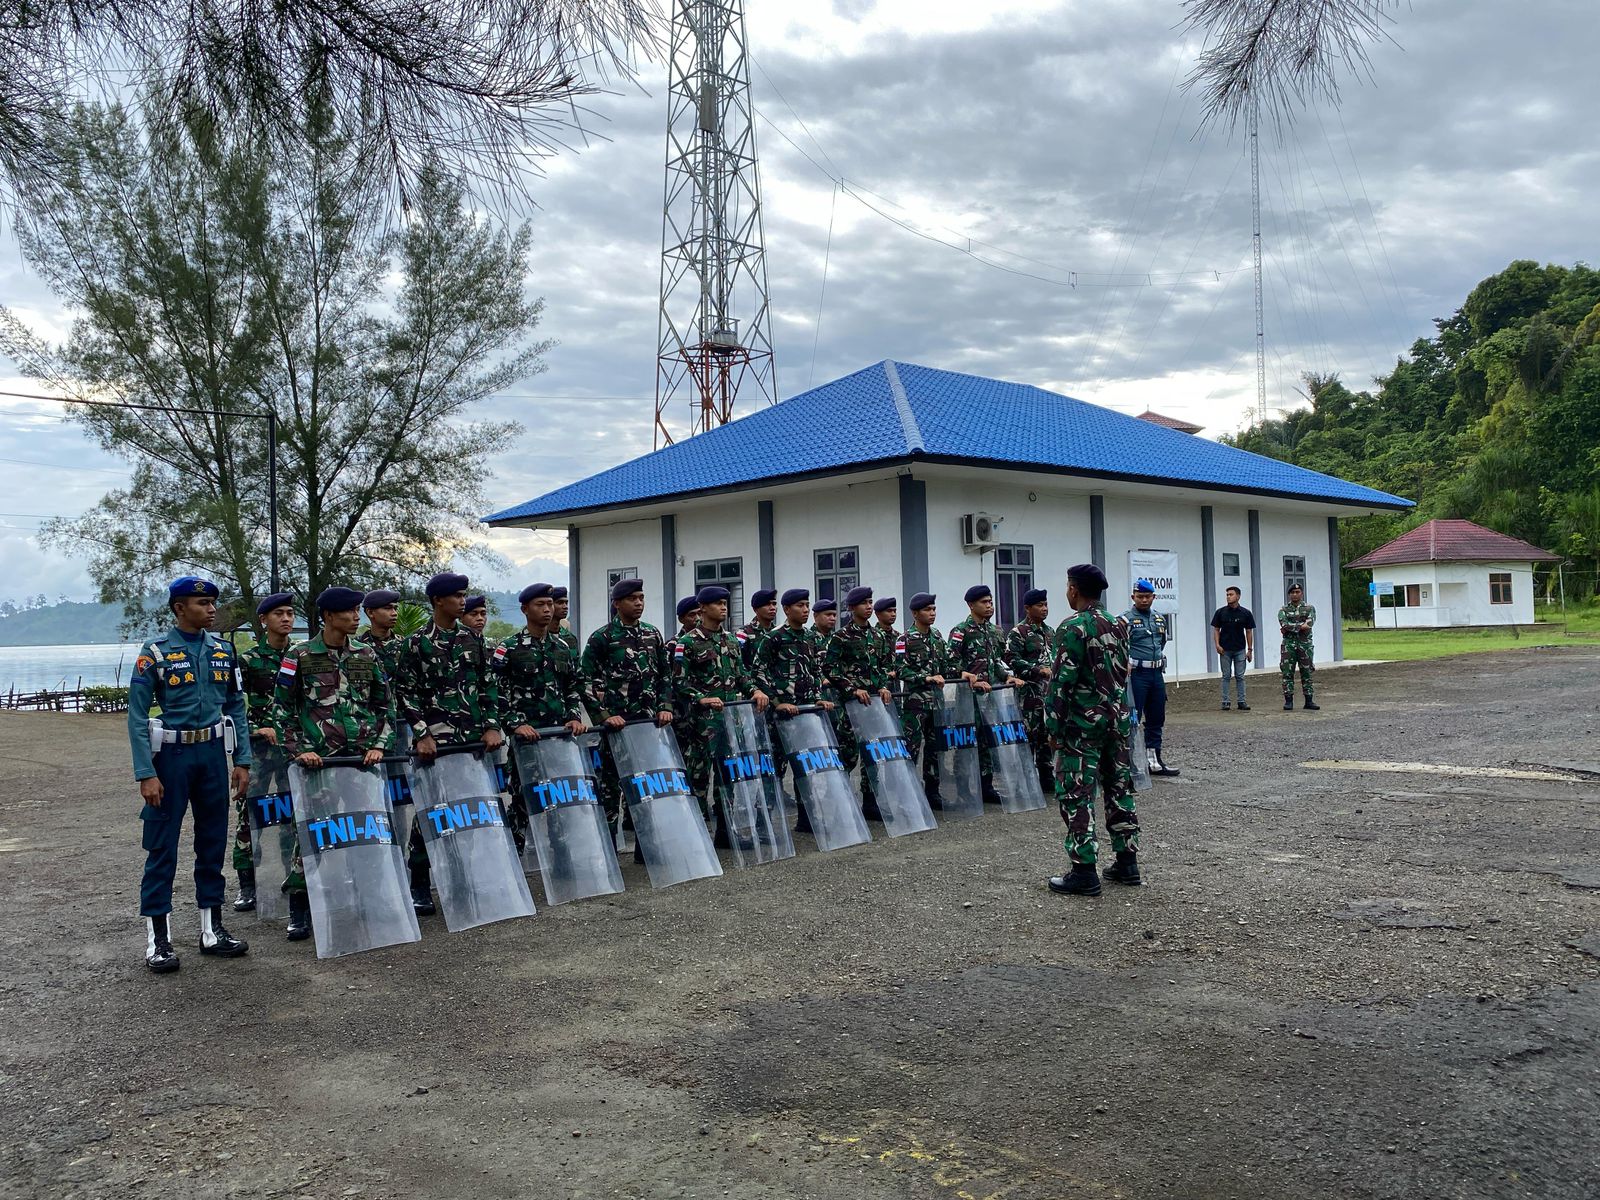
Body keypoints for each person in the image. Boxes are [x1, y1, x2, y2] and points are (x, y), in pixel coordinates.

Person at [127, 576, 252, 973]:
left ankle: (211, 929)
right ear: (180, 607)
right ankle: (158, 940)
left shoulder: (223, 651)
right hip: (172, 757)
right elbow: (136, 716)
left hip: (213, 754)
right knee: (162, 846)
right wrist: (146, 772)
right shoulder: (156, 653)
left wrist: (242, 761)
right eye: (202, 602)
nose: (212, 609)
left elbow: (236, 705)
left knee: (213, 842)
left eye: (213, 602)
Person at [270, 586, 397, 940]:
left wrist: (379, 746)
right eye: (349, 611)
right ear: (328, 616)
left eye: (358, 611)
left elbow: (386, 706)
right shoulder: (300, 655)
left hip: (359, 763)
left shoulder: (366, 654)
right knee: (312, 835)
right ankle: (300, 906)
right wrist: (297, 750)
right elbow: (281, 709)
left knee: (367, 831)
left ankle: (372, 900)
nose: (357, 617)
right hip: (319, 764)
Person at [394, 572, 505, 913]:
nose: (463, 601)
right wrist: (422, 732)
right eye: (456, 596)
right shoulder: (416, 643)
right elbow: (405, 693)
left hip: (471, 743)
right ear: (438, 601)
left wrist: (490, 727)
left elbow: (488, 688)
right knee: (433, 811)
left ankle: (464, 877)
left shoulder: (474, 641)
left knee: (471, 811)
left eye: (464, 595)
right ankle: (420, 881)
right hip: (436, 745)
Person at [1044, 563, 1140, 898]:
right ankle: (1127, 861)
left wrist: (1052, 727)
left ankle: (1084, 871)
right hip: (1116, 721)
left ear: (1074, 589)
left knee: (1076, 793)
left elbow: (1061, 683)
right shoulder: (1119, 623)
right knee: (1119, 787)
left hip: (1082, 726)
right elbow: (1122, 672)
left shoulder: (1073, 626)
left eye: (1068, 587)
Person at [580, 578, 674, 850]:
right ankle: (607, 846)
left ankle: (648, 846)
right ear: (617, 604)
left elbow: (665, 676)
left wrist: (664, 707)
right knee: (611, 787)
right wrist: (603, 715)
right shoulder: (602, 638)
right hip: (618, 726)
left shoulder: (652, 634)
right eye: (632, 598)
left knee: (647, 784)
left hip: (648, 725)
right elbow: (585, 681)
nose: (639, 603)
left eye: (642, 597)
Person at [495, 583, 587, 853]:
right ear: (524, 609)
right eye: (540, 605)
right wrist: (515, 724)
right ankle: (517, 855)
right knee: (524, 797)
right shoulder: (509, 648)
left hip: (558, 737)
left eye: (549, 604)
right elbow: (495, 692)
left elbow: (573, 686)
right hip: (527, 739)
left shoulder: (562, 646)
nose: (547, 610)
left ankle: (561, 856)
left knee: (560, 796)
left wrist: (573, 716)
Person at [674, 584, 769, 843]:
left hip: (730, 720)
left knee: (728, 775)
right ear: (703, 608)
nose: (723, 607)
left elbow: (741, 676)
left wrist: (755, 691)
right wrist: (701, 698)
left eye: (725, 602)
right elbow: (679, 684)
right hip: (702, 724)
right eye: (717, 603)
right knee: (699, 779)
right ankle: (696, 834)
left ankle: (727, 832)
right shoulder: (687, 643)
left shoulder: (730, 641)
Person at [231, 591, 295, 912]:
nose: (286, 619)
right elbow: (230, 708)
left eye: (290, 613)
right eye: (279, 614)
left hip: (290, 751)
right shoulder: (247, 660)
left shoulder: (300, 658)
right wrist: (256, 730)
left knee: (292, 814)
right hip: (257, 752)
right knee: (249, 815)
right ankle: (247, 885)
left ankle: (291, 876)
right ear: (264, 620)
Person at [759, 588, 834, 834]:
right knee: (775, 770)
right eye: (800, 605)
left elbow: (815, 673)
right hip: (781, 716)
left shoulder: (811, 638)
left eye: (806, 605)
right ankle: (764, 824)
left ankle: (807, 817)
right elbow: (758, 672)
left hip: (806, 714)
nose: (804, 610)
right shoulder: (774, 638)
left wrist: (819, 699)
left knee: (807, 767)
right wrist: (775, 701)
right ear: (786, 609)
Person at [949, 583, 1023, 803]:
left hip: (991, 696)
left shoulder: (994, 630)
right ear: (971, 605)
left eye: (991, 602)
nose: (990, 606)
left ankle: (986, 784)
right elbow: (950, 663)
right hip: (969, 696)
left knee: (987, 740)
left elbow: (995, 662)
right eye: (984, 602)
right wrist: (969, 677)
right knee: (967, 740)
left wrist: (1006, 676)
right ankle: (963, 787)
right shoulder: (961, 631)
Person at [824, 585, 893, 818]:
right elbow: (830, 669)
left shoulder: (878, 635)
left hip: (874, 705)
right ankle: (839, 803)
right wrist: (852, 689)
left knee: (874, 754)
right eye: (864, 603)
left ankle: (870, 802)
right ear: (852, 608)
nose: (869, 606)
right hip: (852, 706)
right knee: (848, 755)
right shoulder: (840, 637)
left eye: (871, 602)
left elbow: (884, 665)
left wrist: (883, 685)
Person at [896, 593, 949, 805]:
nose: (932, 613)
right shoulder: (904, 639)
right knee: (912, 748)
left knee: (935, 748)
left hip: (936, 702)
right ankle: (907, 793)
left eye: (934, 609)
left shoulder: (937, 636)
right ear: (915, 613)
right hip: (915, 704)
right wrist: (925, 678)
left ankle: (933, 790)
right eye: (927, 610)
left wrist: (960, 673)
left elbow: (945, 666)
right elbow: (900, 669)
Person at [1122, 580, 1178, 777]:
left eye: (1147, 597)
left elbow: (1160, 643)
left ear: (1154, 597)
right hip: (1136, 675)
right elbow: (1118, 646)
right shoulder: (1125, 620)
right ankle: (1130, 764)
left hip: (1156, 674)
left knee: (1156, 717)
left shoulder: (1159, 619)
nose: (1144, 600)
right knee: (1132, 718)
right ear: (1133, 597)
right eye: (1140, 597)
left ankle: (1154, 761)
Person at [1003, 588, 1055, 791]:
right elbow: (1011, 658)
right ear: (1027, 608)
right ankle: (1023, 780)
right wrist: (1036, 670)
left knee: (1046, 734)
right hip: (1029, 692)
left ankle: (1046, 775)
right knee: (1028, 734)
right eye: (1039, 605)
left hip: (1048, 692)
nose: (1044, 609)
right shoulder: (1019, 632)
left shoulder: (1049, 631)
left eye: (1045, 604)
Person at [1210, 586, 1256, 711]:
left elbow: (1249, 631)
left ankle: (1242, 701)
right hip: (1225, 649)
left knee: (1240, 676)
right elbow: (1216, 630)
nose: (1228, 597)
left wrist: (1250, 649)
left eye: (1231, 594)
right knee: (1226, 675)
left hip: (1240, 649)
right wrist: (1217, 645)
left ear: (1238, 596)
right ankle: (1225, 701)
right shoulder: (1220, 612)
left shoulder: (1245, 613)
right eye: (1227, 595)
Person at [1277, 583, 1319, 711]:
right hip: (1288, 646)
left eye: (1297, 592)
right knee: (1287, 673)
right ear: (1289, 594)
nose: (1295, 594)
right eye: (1292, 592)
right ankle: (1288, 701)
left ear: (1302, 593)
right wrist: (1299, 626)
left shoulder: (1309, 608)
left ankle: (1309, 700)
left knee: (1307, 672)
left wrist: (1291, 627)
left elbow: (1309, 624)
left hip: (1305, 645)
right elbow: (1283, 623)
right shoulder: (1283, 610)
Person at [737, 588, 778, 674]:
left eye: (774, 604)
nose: (772, 608)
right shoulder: (743, 633)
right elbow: (738, 663)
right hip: (754, 684)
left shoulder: (778, 632)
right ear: (755, 609)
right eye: (767, 604)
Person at [551, 585, 580, 656]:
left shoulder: (570, 638)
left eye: (566, 603)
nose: (565, 607)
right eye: (560, 603)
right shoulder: (540, 636)